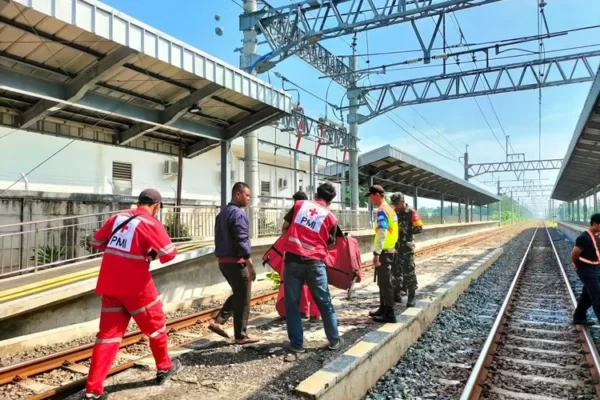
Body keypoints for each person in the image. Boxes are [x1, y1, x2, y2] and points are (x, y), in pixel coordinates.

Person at [85, 189, 181, 400]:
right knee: (156, 327)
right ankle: (164, 367)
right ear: (157, 205)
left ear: (139, 202)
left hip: (110, 284)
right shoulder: (150, 223)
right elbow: (169, 252)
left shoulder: (117, 217)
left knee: (107, 336)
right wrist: (148, 253)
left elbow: (96, 242)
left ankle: (93, 390)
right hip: (137, 288)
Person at [281, 183, 342, 353]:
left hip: (293, 260)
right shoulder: (331, 218)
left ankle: (297, 345)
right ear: (330, 201)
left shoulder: (300, 205)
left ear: (316, 194)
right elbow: (331, 242)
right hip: (315, 264)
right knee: (324, 302)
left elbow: (285, 228)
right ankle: (334, 341)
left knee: (292, 304)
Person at [209, 182, 259, 345]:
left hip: (223, 261)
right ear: (237, 194)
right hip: (236, 261)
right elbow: (242, 240)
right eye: (247, 195)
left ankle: (222, 323)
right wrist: (249, 263)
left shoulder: (222, 213)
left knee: (239, 294)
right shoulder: (238, 214)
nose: (248, 199)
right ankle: (239, 335)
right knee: (243, 297)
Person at [276, 191, 321, 321]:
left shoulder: (296, 209)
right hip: (314, 254)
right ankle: (315, 313)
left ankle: (302, 311)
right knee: (314, 284)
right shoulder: (316, 211)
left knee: (298, 284)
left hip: (296, 253)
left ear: (296, 201)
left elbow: (284, 228)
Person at [367, 185, 399, 323]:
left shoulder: (382, 211)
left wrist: (377, 253)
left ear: (377, 195)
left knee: (385, 283)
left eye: (370, 196)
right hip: (390, 249)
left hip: (385, 251)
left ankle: (390, 314)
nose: (369, 199)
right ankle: (383, 308)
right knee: (382, 282)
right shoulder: (390, 209)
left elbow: (382, 232)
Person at [391, 193, 423, 307]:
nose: (396, 206)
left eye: (398, 203)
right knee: (396, 272)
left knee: (409, 271)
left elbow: (419, 228)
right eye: (394, 204)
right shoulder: (393, 212)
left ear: (403, 201)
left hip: (406, 246)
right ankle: (397, 295)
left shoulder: (412, 212)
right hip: (395, 246)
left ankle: (411, 297)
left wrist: (405, 230)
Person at [571, 213, 600, 325]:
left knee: (587, 294)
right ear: (596, 224)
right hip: (585, 268)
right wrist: (575, 263)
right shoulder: (583, 237)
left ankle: (579, 317)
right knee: (597, 296)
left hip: (596, 267)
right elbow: (575, 253)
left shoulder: (597, 235)